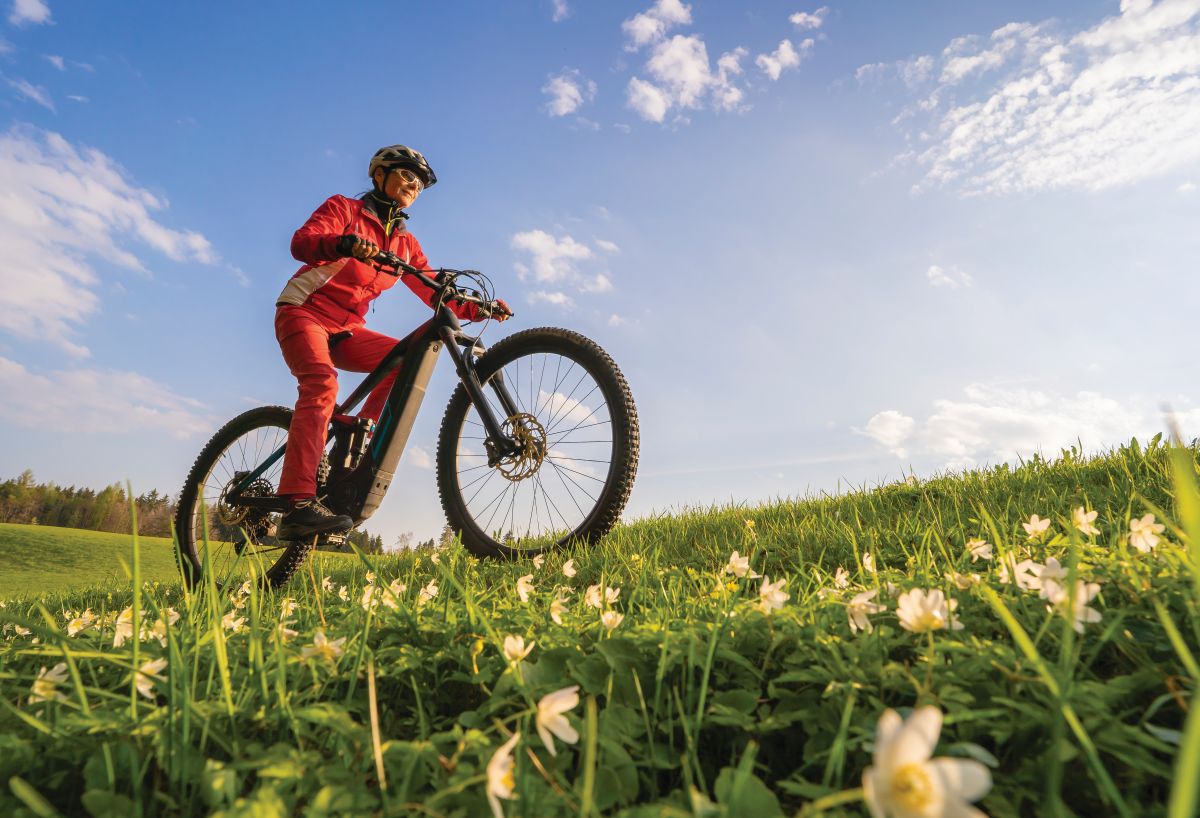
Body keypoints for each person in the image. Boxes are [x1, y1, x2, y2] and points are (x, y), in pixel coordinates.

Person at [272, 144, 510, 540]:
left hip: (348, 329)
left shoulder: (404, 244)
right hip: (304, 312)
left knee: (406, 359)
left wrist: (480, 308)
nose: (414, 185)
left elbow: (435, 291)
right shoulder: (344, 209)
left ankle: (356, 436)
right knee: (321, 385)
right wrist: (342, 243)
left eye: (420, 183)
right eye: (407, 175)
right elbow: (302, 242)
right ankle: (296, 505)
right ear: (380, 175)